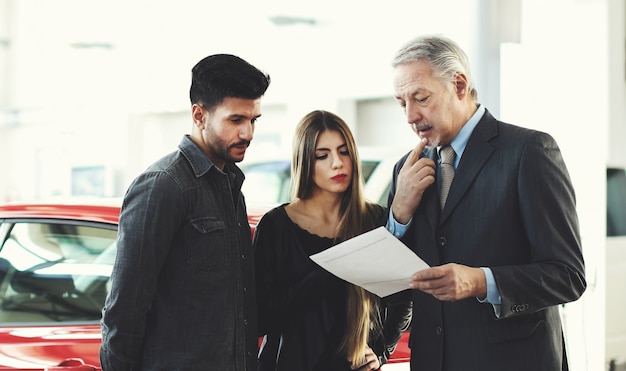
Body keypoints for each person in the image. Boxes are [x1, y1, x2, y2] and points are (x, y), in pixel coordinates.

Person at [386, 34, 586, 371]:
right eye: (401, 102)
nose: (409, 115)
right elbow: (393, 278)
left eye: (420, 98)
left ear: (459, 86)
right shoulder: (404, 169)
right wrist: (398, 214)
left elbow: (567, 275)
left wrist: (481, 281)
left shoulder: (529, 151)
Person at [99, 54, 270, 370]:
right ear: (199, 115)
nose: (248, 133)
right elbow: (124, 311)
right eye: (235, 120)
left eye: (253, 120)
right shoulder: (163, 185)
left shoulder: (231, 185)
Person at [253, 110, 412, 371]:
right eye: (322, 156)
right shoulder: (276, 225)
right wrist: (333, 269)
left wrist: (381, 351)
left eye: (344, 151)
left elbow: (403, 297)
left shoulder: (375, 219)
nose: (337, 163)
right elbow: (260, 317)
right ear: (305, 161)